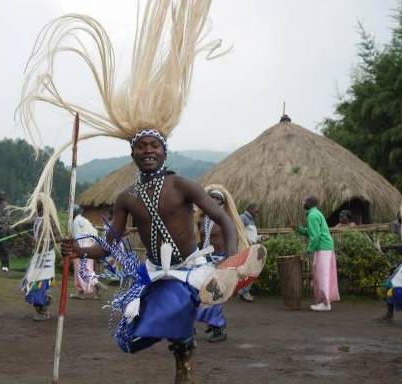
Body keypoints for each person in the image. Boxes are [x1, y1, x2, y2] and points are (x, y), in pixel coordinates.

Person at [16, 2, 263, 382]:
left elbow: (222, 217)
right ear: (132, 153)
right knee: (132, 334)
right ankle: (184, 350)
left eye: (155, 146)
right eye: (141, 147)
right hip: (153, 272)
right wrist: (79, 250)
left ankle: (184, 360)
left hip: (191, 267)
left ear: (165, 152)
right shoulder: (127, 197)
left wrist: (230, 262)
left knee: (173, 308)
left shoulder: (182, 184)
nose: (148, 151)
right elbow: (111, 242)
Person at [195, 185, 250, 343]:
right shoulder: (202, 220)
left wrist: (231, 261)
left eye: (218, 198)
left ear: (223, 202)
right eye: (211, 197)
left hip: (221, 259)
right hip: (205, 259)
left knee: (216, 293)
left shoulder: (226, 219)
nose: (214, 200)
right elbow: (200, 241)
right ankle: (212, 324)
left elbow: (233, 240)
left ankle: (219, 328)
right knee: (202, 292)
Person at [295, 195, 340, 311]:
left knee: (322, 275)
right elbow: (312, 232)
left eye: (304, 201)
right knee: (323, 274)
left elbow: (315, 236)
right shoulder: (316, 214)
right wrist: (298, 229)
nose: (302, 203)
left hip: (323, 248)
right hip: (325, 247)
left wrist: (308, 250)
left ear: (309, 203)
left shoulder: (312, 215)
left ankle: (325, 304)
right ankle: (324, 302)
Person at [22, 194, 61, 321]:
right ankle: (44, 300)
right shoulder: (38, 219)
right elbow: (35, 242)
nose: (35, 203)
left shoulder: (49, 220)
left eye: (38, 201)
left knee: (37, 285)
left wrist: (44, 242)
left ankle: (43, 309)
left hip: (46, 258)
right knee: (28, 284)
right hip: (38, 256)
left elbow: (58, 237)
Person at [379, 201, 402, 320]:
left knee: (392, 283)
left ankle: (390, 313)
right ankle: (389, 313)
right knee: (390, 283)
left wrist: (389, 246)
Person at [70, 205, 107, 299]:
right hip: (89, 248)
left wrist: (78, 250)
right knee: (87, 269)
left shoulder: (76, 221)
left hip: (81, 248)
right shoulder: (86, 221)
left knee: (82, 270)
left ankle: (98, 285)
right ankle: (80, 291)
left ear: (74, 212)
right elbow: (95, 233)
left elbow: (77, 238)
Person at [239, 203, 262, 302]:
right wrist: (246, 241)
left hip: (250, 248)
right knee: (250, 270)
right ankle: (245, 292)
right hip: (245, 248)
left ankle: (243, 291)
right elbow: (238, 231)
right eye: (256, 211)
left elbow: (252, 237)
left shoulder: (251, 220)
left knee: (249, 270)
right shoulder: (243, 218)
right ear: (250, 209)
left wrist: (260, 238)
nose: (257, 213)